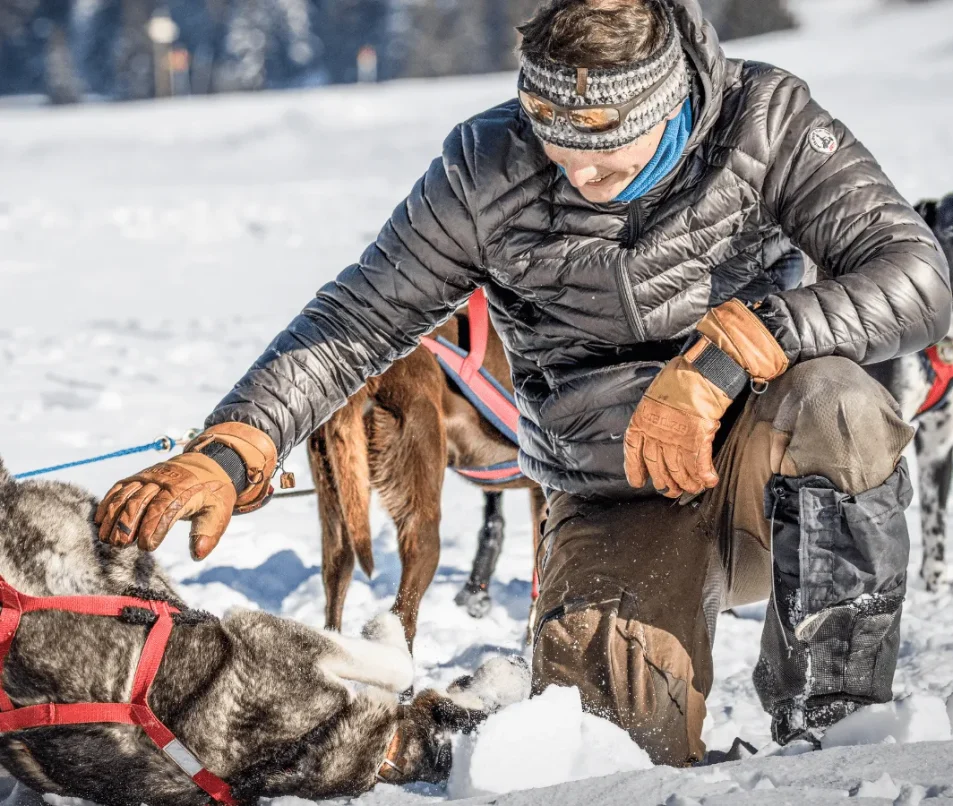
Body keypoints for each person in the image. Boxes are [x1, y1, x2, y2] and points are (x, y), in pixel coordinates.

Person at [95, 0, 951, 764]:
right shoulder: (484, 167)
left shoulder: (764, 120)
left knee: (840, 400)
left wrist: (731, 353)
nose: (578, 174)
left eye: (607, 155)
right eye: (558, 144)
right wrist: (235, 441)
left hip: (769, 468)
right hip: (615, 490)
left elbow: (915, 274)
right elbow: (354, 320)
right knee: (608, 753)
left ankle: (835, 727)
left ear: (671, 105)